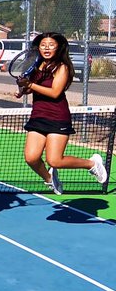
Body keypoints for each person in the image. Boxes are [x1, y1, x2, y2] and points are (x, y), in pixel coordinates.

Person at [17, 32, 108, 192]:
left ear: (58, 47)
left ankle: (92, 163)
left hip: (57, 117)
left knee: (55, 160)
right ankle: (50, 178)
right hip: (38, 116)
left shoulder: (62, 67)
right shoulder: (37, 64)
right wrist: (24, 90)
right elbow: (35, 88)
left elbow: (54, 92)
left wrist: (30, 85)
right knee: (31, 158)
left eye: (51, 45)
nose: (46, 48)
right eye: (43, 44)